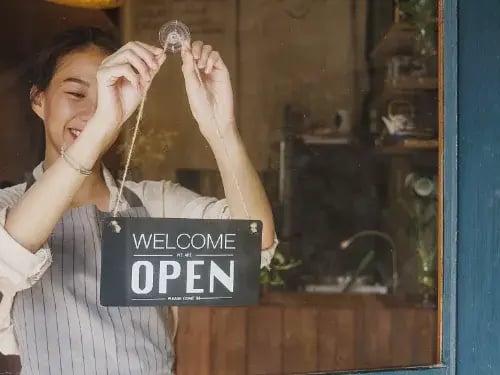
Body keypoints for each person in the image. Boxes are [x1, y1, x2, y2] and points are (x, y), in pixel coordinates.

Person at [0, 27, 277, 374]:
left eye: (107, 95)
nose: (92, 111)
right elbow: (8, 254)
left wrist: (221, 130)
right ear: (38, 100)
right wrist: (100, 126)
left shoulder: (154, 203)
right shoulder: (9, 210)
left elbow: (253, 248)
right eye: (76, 93)